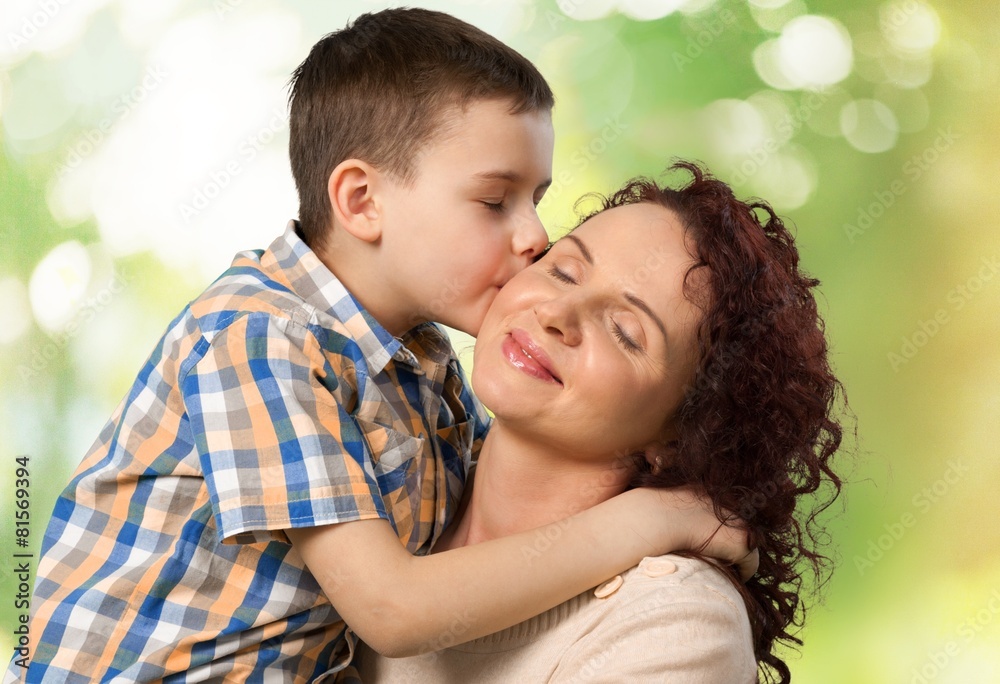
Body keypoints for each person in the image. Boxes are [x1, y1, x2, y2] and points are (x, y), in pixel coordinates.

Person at [6, 12, 753, 684]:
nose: (532, 237)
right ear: (361, 201)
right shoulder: (257, 338)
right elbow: (393, 611)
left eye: (538, 201)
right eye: (496, 201)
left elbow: (527, 491)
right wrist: (656, 520)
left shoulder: (423, 365)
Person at [357, 161, 846, 683]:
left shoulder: (676, 623)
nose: (558, 313)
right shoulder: (397, 473)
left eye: (624, 331)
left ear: (682, 432)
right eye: (562, 271)